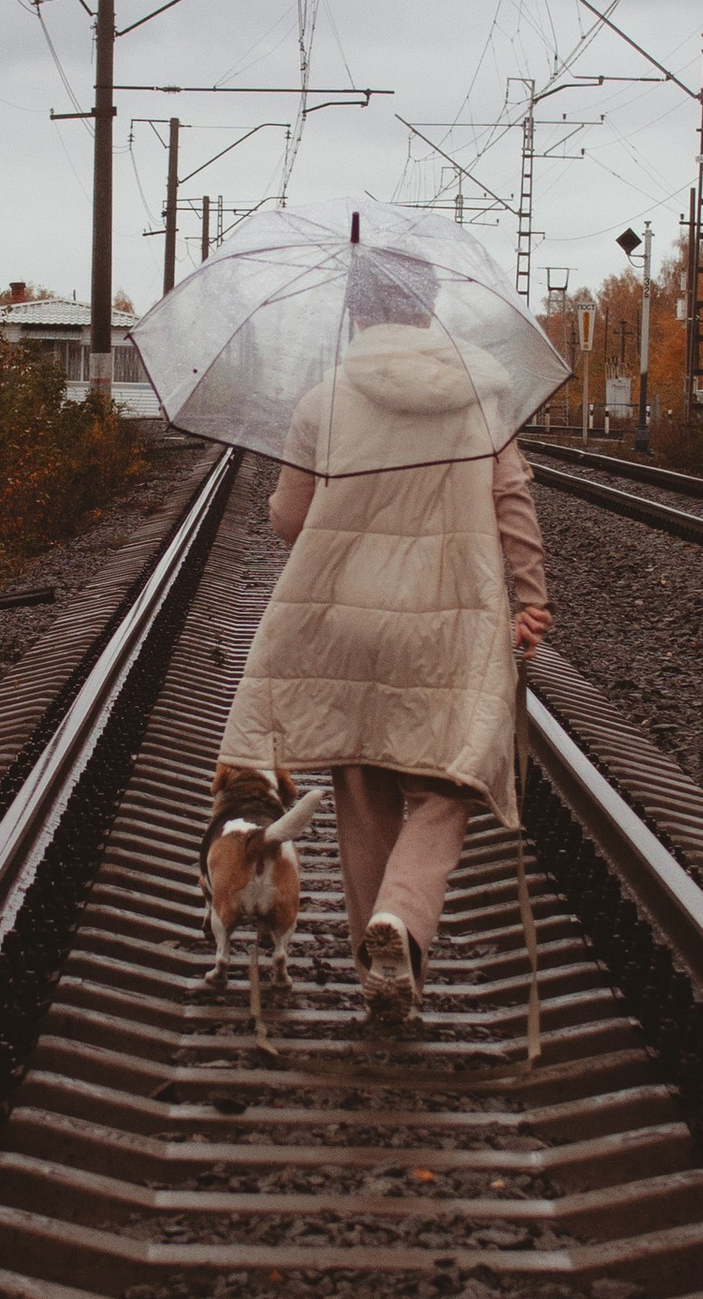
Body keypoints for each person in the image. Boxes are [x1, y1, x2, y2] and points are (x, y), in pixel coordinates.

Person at [216, 242, 551, 1027]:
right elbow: (513, 500)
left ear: (356, 313)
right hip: (449, 622)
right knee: (449, 782)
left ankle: (379, 955)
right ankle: (399, 920)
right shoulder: (481, 395)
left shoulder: (324, 400)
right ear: (429, 310)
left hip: (346, 620)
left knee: (363, 785)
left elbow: (291, 519)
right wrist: (531, 598)